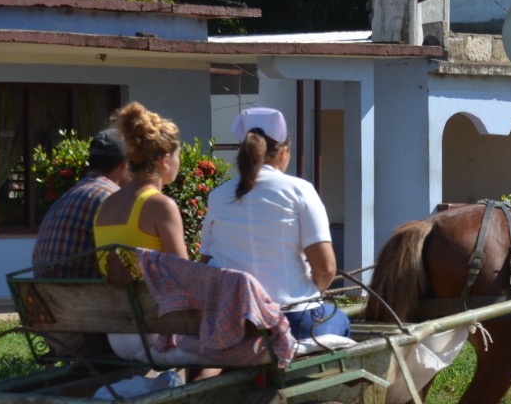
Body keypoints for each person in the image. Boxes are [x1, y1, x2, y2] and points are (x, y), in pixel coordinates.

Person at [200, 105, 351, 344]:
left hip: (234, 323)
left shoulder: (217, 195)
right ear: (284, 153)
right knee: (340, 319)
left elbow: (206, 261)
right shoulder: (300, 190)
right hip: (293, 321)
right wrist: (309, 296)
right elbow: (326, 268)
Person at [92, 102, 187, 278]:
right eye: (178, 156)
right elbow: (184, 275)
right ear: (166, 160)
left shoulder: (106, 205)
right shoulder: (161, 206)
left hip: (109, 297)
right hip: (152, 297)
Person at [31, 128, 129, 279]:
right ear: (124, 165)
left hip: (45, 292)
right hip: (84, 293)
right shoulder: (112, 198)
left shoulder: (68, 196)